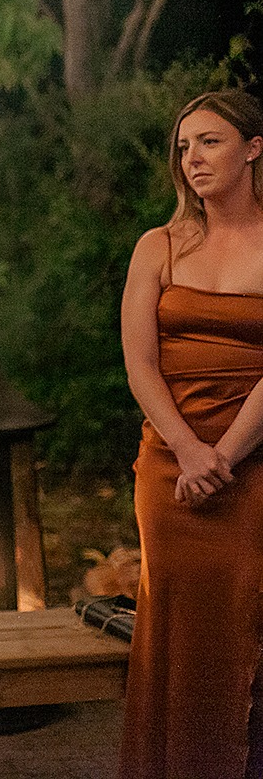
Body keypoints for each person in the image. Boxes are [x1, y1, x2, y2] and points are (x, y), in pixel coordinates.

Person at [118, 88, 263, 778]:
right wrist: (186, 449)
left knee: (245, 617)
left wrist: (224, 456)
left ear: (254, 148)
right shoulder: (160, 246)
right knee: (171, 628)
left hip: (254, 461)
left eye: (209, 141)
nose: (192, 158)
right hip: (169, 463)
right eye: (183, 146)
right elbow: (140, 363)